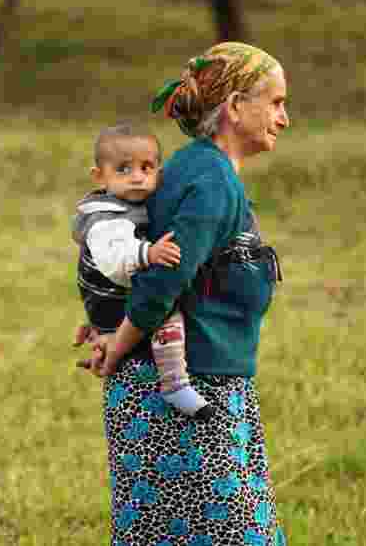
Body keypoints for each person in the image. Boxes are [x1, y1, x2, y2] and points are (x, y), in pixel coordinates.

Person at [79, 41, 289, 545]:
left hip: (203, 380)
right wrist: (120, 341)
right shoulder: (209, 177)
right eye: (276, 102)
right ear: (236, 107)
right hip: (181, 392)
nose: (284, 117)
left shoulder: (201, 169)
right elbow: (163, 277)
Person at [71, 123, 216, 418]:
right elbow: (115, 259)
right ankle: (174, 383)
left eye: (146, 168)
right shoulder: (104, 217)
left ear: (158, 173)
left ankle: (100, 340)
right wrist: (148, 254)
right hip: (112, 297)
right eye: (123, 169)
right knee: (165, 312)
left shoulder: (133, 204)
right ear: (99, 176)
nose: (137, 177)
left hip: (108, 299)